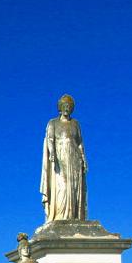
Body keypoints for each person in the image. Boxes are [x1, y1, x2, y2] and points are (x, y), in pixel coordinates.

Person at [40, 94, 88, 222]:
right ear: (60, 107)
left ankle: (74, 216)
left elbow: (80, 143)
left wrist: (83, 159)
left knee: (74, 187)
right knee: (63, 185)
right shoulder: (53, 123)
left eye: (69, 106)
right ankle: (60, 215)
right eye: (64, 105)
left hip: (74, 158)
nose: (66, 108)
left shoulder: (76, 124)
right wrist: (52, 153)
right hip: (59, 158)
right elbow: (50, 139)